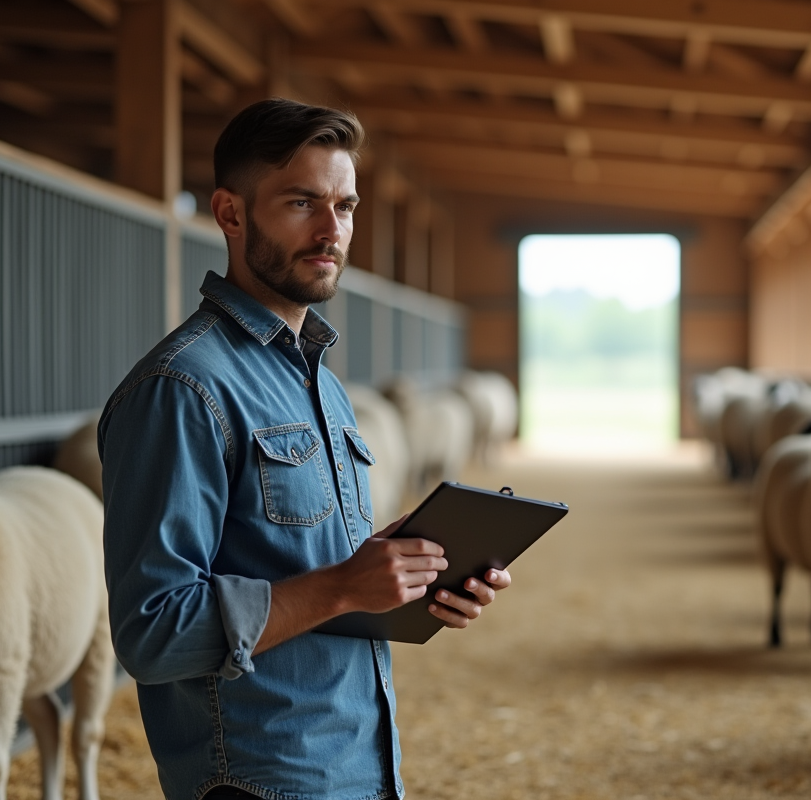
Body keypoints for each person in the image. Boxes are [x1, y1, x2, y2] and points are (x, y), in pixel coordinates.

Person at [98, 98, 510, 800]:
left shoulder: (318, 376)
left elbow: (312, 574)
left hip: (357, 760)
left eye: (345, 206)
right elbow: (152, 632)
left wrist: (410, 578)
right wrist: (345, 585)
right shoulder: (182, 388)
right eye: (302, 202)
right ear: (231, 215)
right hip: (260, 779)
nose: (332, 230)